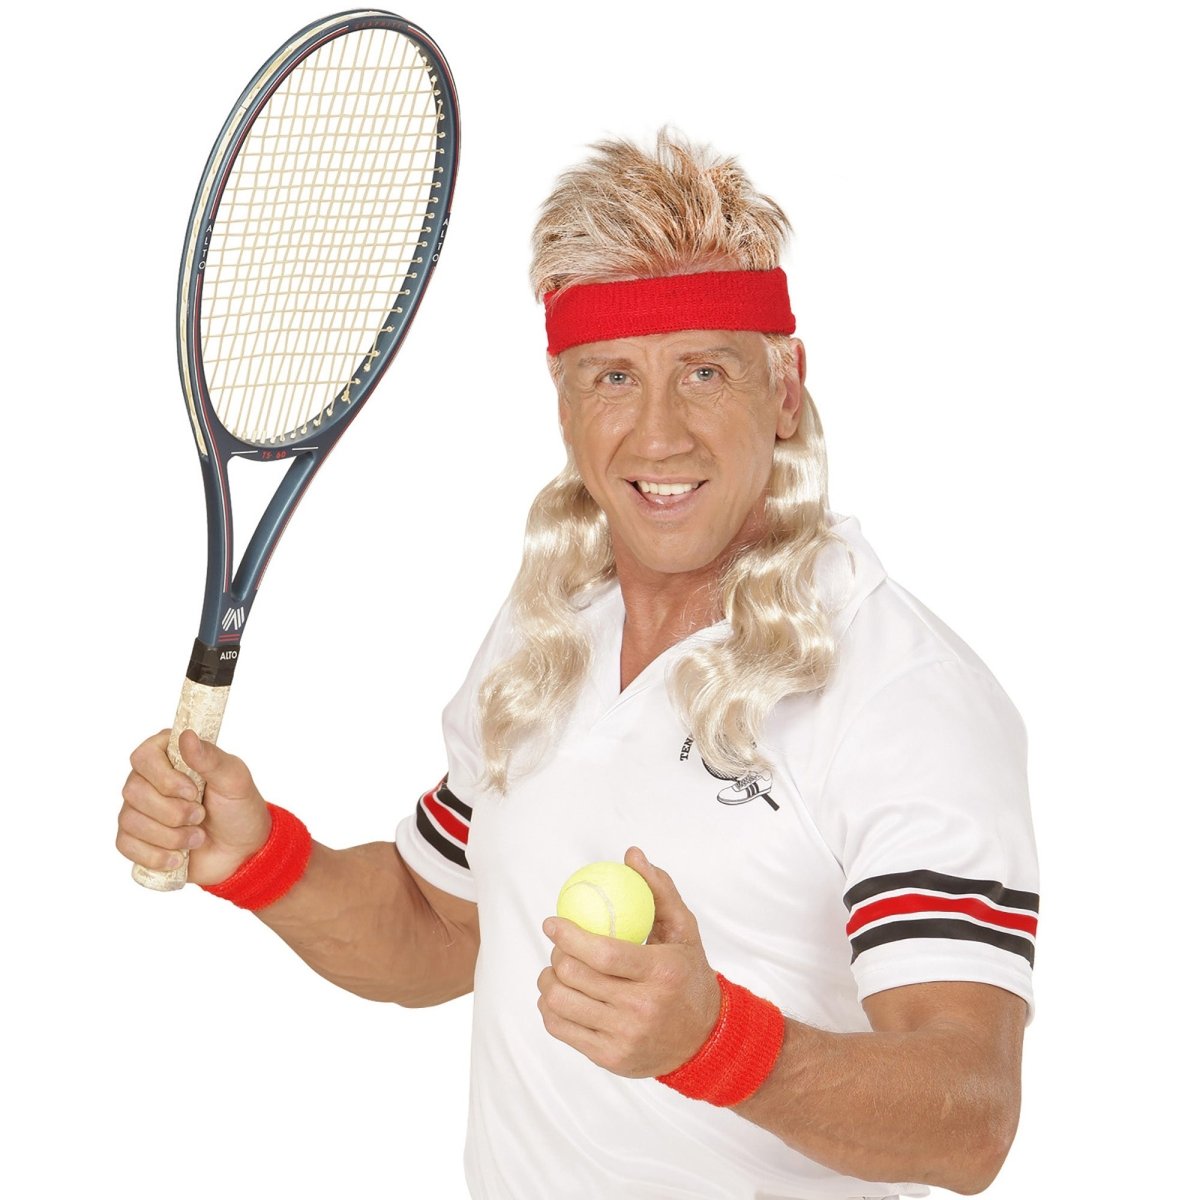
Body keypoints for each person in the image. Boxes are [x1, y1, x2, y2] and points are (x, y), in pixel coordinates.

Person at [118, 132, 1038, 1199]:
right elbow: (444, 926)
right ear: (564, 405)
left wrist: (716, 1043)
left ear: (785, 389)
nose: (659, 435)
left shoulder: (901, 692)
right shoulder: (547, 631)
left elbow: (971, 1116)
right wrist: (261, 860)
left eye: (705, 372)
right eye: (613, 377)